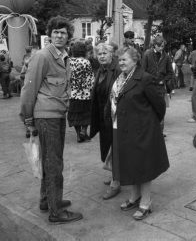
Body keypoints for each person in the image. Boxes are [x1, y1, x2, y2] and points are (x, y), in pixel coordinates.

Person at [20, 16, 83, 224]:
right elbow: (29, 89)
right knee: (54, 163)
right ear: (49, 34)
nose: (59, 35)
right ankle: (56, 212)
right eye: (55, 32)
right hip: (46, 117)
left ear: (68, 37)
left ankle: (47, 200)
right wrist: (28, 119)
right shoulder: (42, 56)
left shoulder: (63, 55)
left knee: (50, 159)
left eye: (63, 32)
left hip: (56, 115)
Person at [110, 47, 169, 220]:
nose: (120, 62)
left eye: (124, 59)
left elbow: (160, 105)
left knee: (143, 167)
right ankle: (134, 197)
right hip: (123, 129)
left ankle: (146, 202)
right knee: (131, 164)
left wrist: (149, 123)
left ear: (135, 61)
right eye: (119, 59)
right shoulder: (120, 78)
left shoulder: (145, 79)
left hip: (142, 130)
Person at [89, 43, 121, 200]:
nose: (101, 56)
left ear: (112, 54)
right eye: (99, 53)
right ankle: (115, 173)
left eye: (104, 53)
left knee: (115, 147)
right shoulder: (100, 70)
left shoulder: (117, 70)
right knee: (108, 146)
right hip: (103, 115)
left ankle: (116, 183)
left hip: (114, 115)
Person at [141, 35, 173, 135]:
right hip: (149, 86)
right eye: (159, 46)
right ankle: (149, 131)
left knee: (160, 109)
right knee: (149, 109)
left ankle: (159, 132)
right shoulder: (147, 54)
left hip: (160, 88)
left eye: (163, 46)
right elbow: (142, 71)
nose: (161, 48)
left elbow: (170, 72)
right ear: (154, 45)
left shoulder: (166, 56)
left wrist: (163, 80)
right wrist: (148, 80)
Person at [68, 41, 95, 143]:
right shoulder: (86, 62)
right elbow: (90, 78)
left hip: (73, 93)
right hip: (85, 93)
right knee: (86, 114)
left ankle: (78, 135)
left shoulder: (69, 61)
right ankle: (84, 130)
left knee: (75, 115)